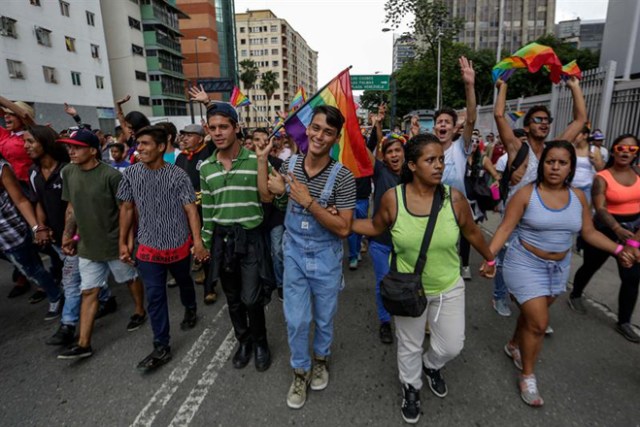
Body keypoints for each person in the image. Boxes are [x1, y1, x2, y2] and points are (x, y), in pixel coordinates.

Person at [352, 134, 496, 424]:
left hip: (448, 287)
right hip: (407, 288)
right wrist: (342, 222)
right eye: (431, 160)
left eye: (441, 159)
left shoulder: (454, 198)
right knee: (409, 345)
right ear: (413, 165)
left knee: (452, 345)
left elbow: (471, 232)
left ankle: (431, 366)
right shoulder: (394, 198)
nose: (439, 166)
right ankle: (411, 387)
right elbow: (375, 225)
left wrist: (490, 257)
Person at [483, 140, 630, 407]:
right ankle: (527, 375)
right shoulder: (526, 193)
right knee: (539, 323)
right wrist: (490, 257)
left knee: (531, 316)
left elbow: (589, 232)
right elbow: (505, 228)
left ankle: (514, 344)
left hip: (558, 269)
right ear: (543, 165)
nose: (555, 167)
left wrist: (619, 250)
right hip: (525, 263)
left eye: (562, 163)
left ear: (571, 167)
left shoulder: (578, 197)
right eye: (550, 161)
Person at [491, 77, 586, 317]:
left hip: (541, 217)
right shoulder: (517, 147)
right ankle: (500, 296)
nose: (544, 124)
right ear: (527, 124)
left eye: (547, 120)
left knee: (541, 263)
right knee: (504, 261)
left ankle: (534, 312)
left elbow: (580, 120)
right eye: (538, 120)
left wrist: (574, 87)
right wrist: (503, 87)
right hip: (515, 217)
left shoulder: (555, 150)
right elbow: (500, 116)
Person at [118, 125, 205, 371]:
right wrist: (123, 242)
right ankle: (161, 346)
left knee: (184, 281)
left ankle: (190, 308)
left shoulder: (178, 175)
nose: (140, 148)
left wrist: (197, 242)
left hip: (177, 243)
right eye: (138, 143)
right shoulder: (130, 174)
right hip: (147, 246)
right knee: (155, 296)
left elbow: (191, 210)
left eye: (145, 143)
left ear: (160, 146)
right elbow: (125, 208)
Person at [56, 129, 146, 360]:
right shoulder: (68, 172)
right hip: (87, 247)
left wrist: (127, 242)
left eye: (76, 147)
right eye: (69, 147)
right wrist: (68, 235)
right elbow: (72, 207)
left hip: (113, 245)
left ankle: (139, 310)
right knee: (89, 292)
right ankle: (84, 343)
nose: (71, 151)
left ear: (93, 150)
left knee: (130, 279)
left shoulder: (111, 176)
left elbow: (127, 210)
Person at [199, 101, 273, 373]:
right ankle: (244, 341)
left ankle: (261, 341)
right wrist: (204, 243)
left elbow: (271, 196)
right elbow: (207, 209)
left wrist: (274, 179)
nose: (218, 133)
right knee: (233, 299)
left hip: (251, 239)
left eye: (224, 127)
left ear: (236, 128)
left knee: (252, 298)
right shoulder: (206, 167)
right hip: (222, 240)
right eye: (213, 128)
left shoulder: (256, 160)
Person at [568, 134, 640, 343]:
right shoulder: (602, 177)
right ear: (614, 149)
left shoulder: (638, 174)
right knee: (590, 266)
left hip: (633, 232)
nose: (626, 152)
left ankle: (624, 322)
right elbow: (599, 208)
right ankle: (576, 295)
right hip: (606, 229)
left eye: (632, 149)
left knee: (632, 277)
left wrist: (635, 239)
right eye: (621, 147)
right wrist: (616, 228)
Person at [433, 57, 477, 281]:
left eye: (446, 122)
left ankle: (465, 264)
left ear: (453, 128)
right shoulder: (428, 149)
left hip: (459, 204)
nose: (442, 125)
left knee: (465, 235)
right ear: (434, 127)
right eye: (439, 122)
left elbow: (470, 119)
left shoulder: (462, 147)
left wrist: (469, 85)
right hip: (435, 204)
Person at [364, 106, 405, 344]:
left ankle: (405, 316)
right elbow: (367, 150)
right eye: (389, 152)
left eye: (398, 150)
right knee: (382, 283)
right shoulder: (379, 172)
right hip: (380, 242)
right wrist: (375, 125)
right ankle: (384, 322)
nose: (394, 155)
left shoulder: (413, 175)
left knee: (404, 283)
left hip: (406, 242)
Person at [175, 123, 217, 303]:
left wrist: (208, 106)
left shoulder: (208, 152)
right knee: (188, 244)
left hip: (204, 209)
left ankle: (210, 286)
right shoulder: (180, 158)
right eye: (182, 135)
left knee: (204, 244)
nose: (184, 138)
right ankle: (197, 271)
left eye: (189, 135)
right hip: (183, 209)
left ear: (200, 138)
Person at [251, 128, 285, 301]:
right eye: (256, 139)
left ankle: (281, 284)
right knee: (261, 253)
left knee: (277, 251)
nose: (260, 143)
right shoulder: (246, 164)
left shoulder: (278, 164)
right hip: (255, 217)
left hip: (275, 217)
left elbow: (273, 195)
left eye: (265, 139)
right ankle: (267, 283)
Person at [572, 123, 604, 205]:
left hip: (587, 187)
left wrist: (594, 161)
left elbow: (601, 170)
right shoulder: (571, 148)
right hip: (570, 186)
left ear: (585, 135)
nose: (573, 136)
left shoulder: (594, 150)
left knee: (585, 211)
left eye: (577, 133)